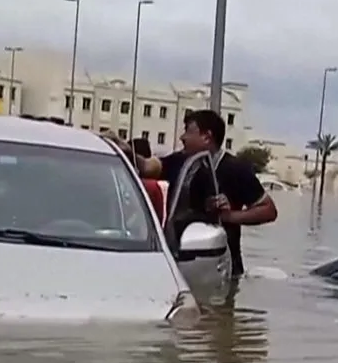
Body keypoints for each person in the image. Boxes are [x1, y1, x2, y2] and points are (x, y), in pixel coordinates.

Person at [118, 109, 278, 276]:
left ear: (206, 136)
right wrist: (126, 151)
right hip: (178, 259)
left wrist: (231, 216)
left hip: (221, 267)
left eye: (188, 131)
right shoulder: (180, 160)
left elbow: (269, 210)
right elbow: (148, 166)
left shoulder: (235, 169)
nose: (182, 137)